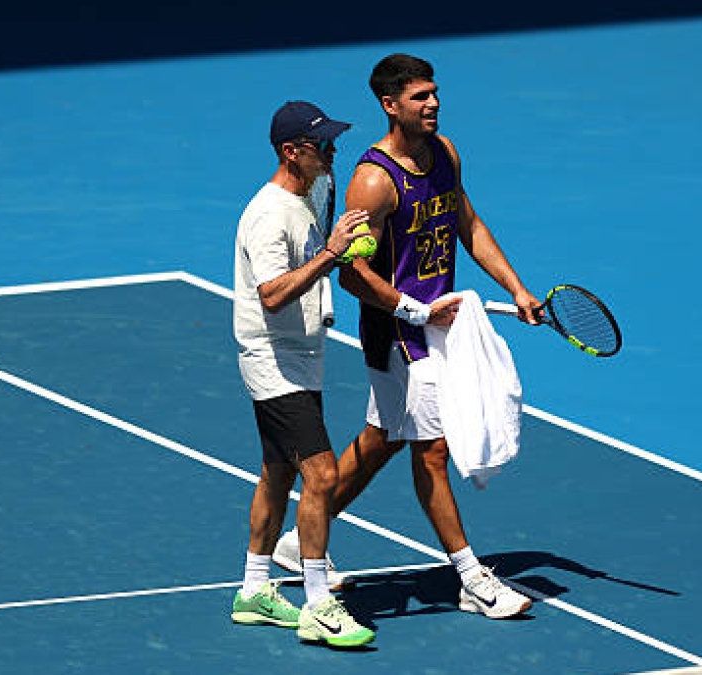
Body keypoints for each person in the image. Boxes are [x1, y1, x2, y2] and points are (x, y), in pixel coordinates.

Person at [273, 54, 541, 619]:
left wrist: (516, 288)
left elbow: (468, 225)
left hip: (437, 326)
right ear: (390, 106)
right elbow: (351, 273)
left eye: (435, 93)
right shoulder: (373, 182)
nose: (433, 104)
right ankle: (472, 578)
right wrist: (417, 312)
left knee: (381, 440)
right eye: (420, 97)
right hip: (399, 334)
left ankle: (300, 539)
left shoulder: (445, 155)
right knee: (433, 450)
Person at [229, 100, 374, 647]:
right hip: (274, 358)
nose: (332, 150)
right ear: (292, 152)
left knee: (278, 473)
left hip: (300, 355)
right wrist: (331, 253)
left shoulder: (302, 200)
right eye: (322, 144)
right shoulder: (269, 214)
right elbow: (271, 295)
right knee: (323, 476)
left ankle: (254, 590)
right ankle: (318, 605)